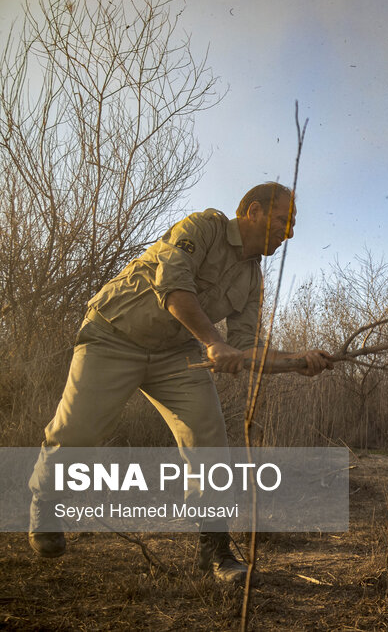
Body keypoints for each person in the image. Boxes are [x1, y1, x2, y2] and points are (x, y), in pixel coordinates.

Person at [27, 182, 329, 582]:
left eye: (291, 225)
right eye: (282, 220)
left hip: (176, 354)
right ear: (254, 211)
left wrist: (295, 361)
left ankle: (215, 552)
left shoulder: (253, 278)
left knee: (208, 439)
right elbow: (173, 288)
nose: (288, 232)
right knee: (78, 430)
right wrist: (213, 342)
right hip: (112, 334)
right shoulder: (203, 226)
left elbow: (246, 346)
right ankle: (45, 500)